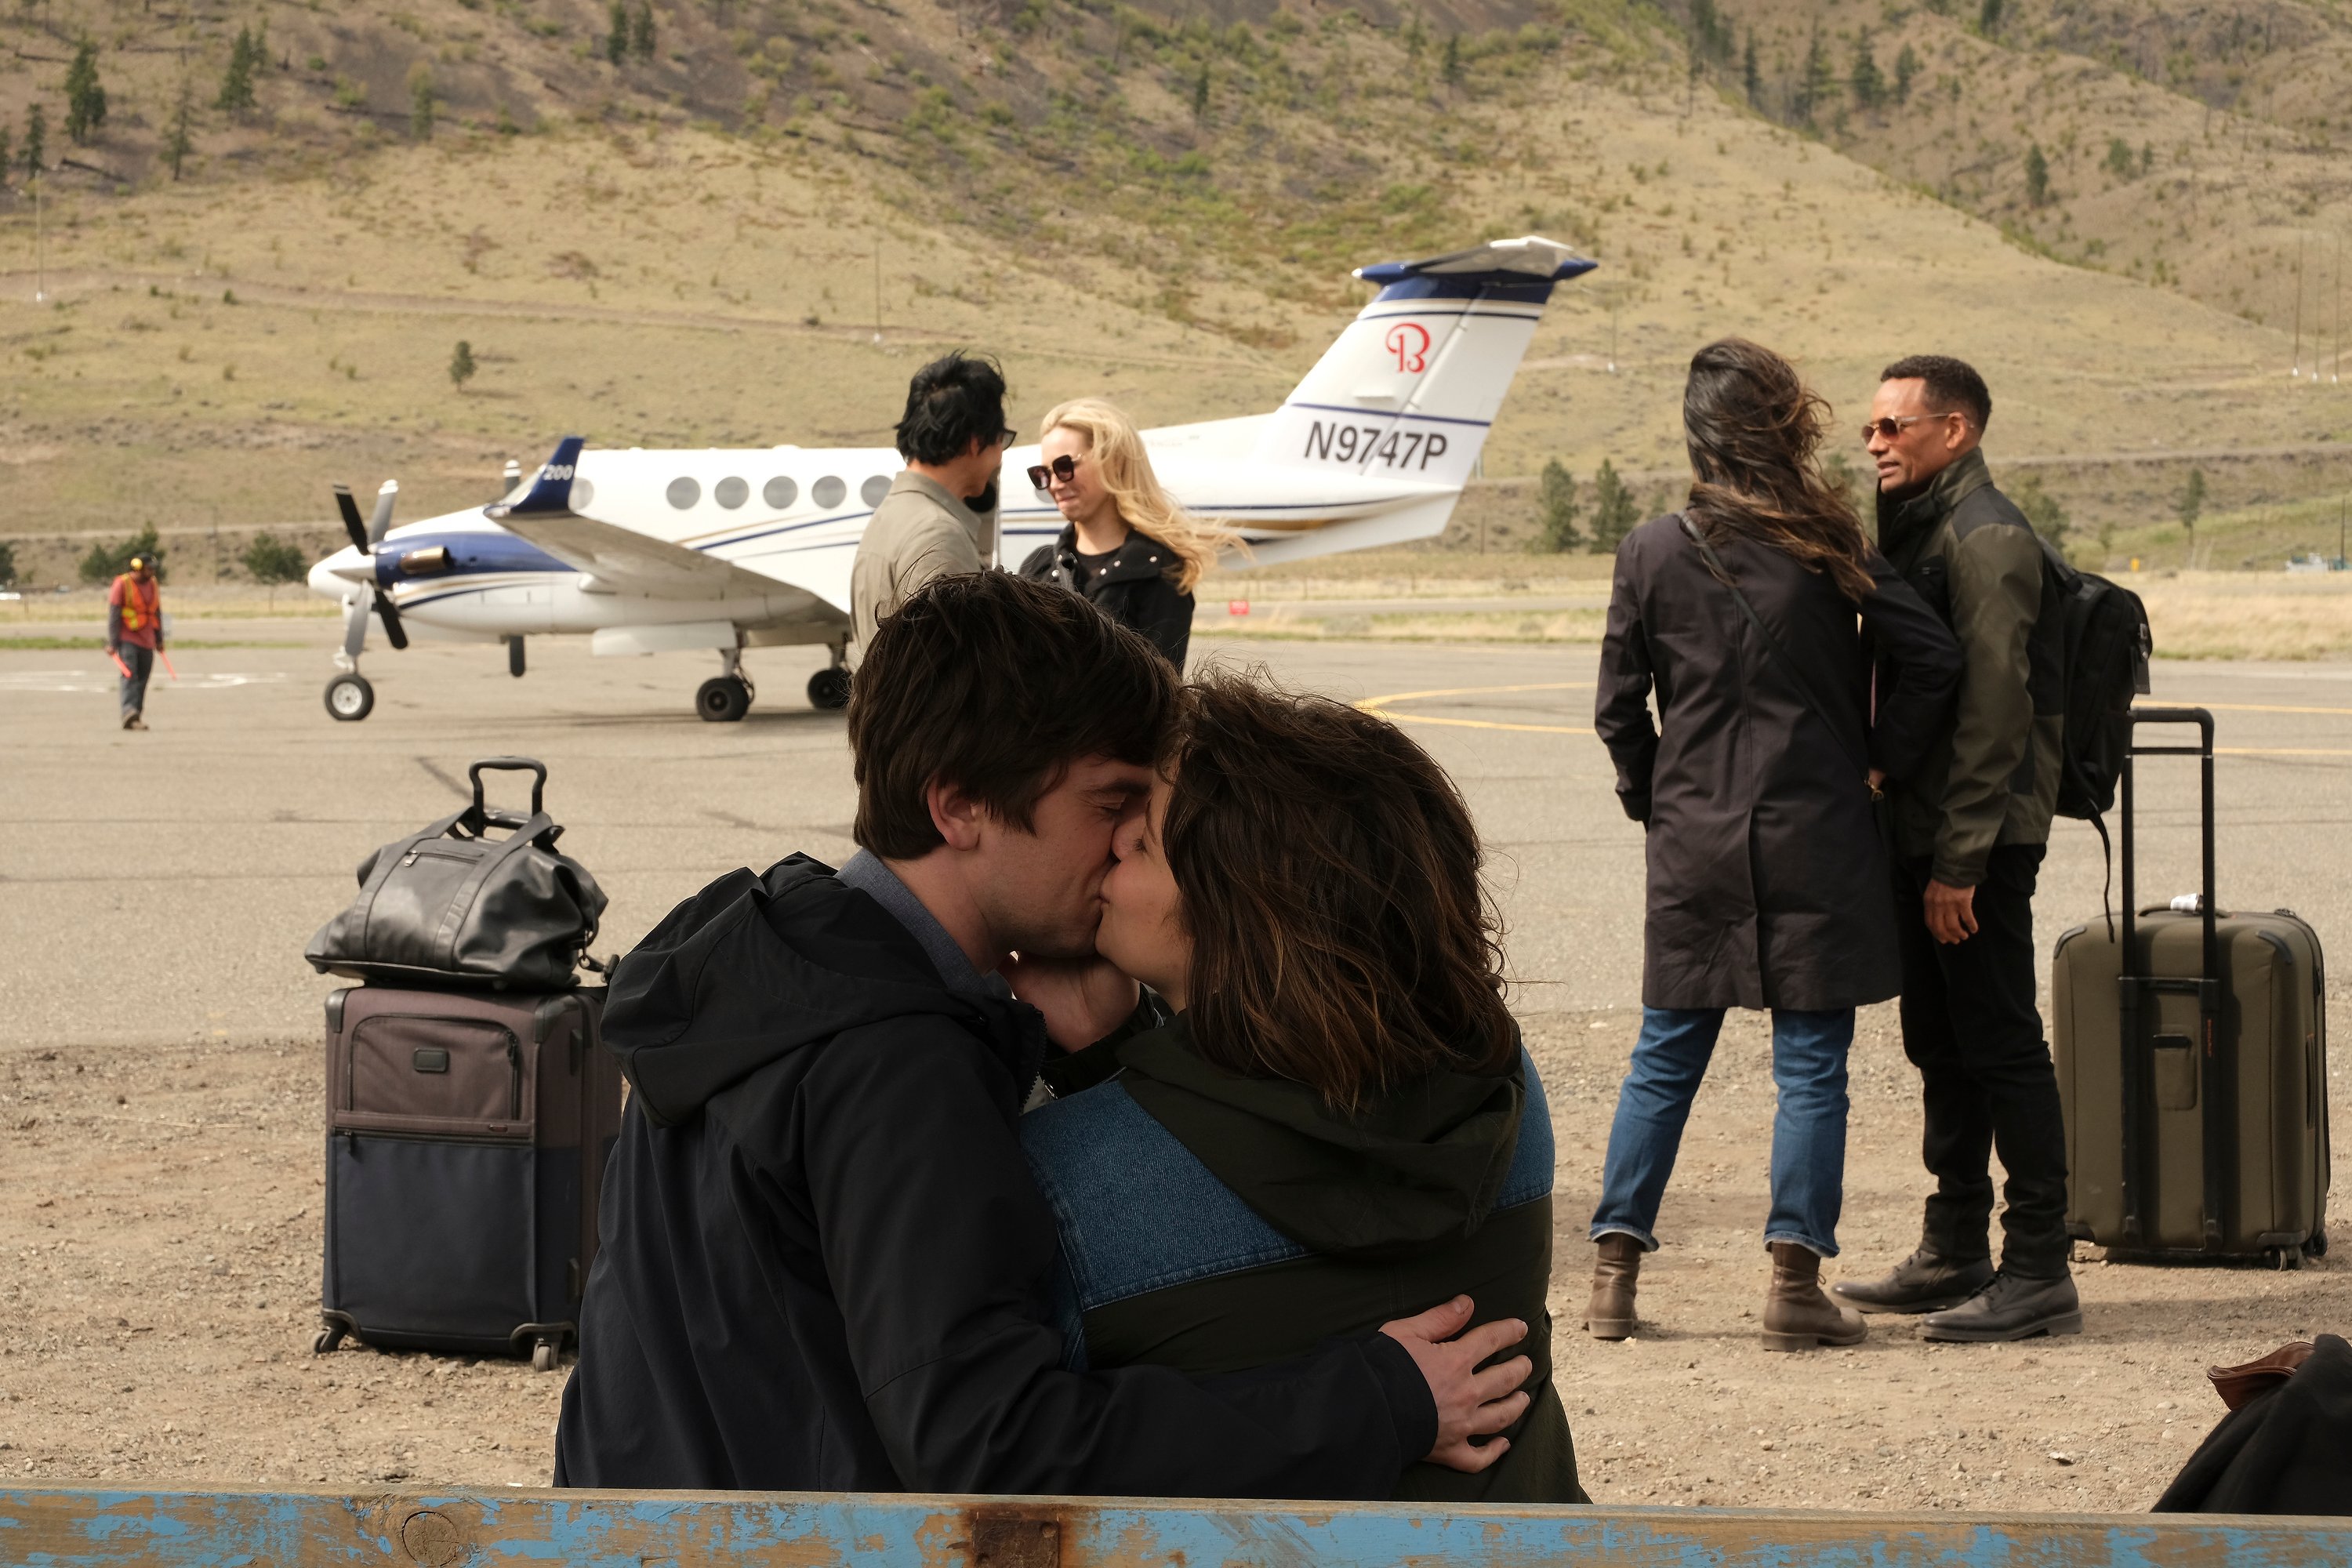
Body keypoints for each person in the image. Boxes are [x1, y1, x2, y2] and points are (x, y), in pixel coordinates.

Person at [554, 570, 1533, 1495]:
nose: (1124, 846)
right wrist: (1373, 1400)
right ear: (960, 804)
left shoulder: (784, 963)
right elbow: (995, 1444)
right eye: (1111, 805)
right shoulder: (894, 1063)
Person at [1017, 670, 1583, 1502]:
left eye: (1141, 844)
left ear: (1232, 914)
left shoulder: (1063, 1175)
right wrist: (1118, 1049)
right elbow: (1284, 1133)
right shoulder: (1505, 1092)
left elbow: (1024, 1445)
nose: (1109, 852)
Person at [1588, 339, 1962, 1352]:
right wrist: (1880, 761)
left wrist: (1657, 800)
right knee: (1812, 1067)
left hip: (1694, 838)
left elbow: (1618, 710)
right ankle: (1794, 1285)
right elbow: (1930, 654)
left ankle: (1612, 1277)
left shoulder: (1651, 549)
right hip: (1817, 832)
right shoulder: (1824, 534)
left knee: (1664, 1057)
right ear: (1779, 421)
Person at [1831, 354, 2079, 1343]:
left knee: (2003, 1041)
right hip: (1929, 828)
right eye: (1872, 429)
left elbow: (1995, 713)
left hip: (1977, 836)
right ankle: (1955, 1246)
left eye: (1896, 426)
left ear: (1957, 430)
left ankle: (2039, 1269)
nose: (1877, 443)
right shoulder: (1928, 524)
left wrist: (1962, 862)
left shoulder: (1988, 538)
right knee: (1939, 1039)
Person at [1016, 398, 1228, 668]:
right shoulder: (1037, 567)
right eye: (1042, 474)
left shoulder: (1160, 571)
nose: (1054, 484)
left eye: (1065, 467)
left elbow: (1160, 697)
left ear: (1113, 461)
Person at [848, 350, 1011, 664]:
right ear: (977, 443)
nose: (1000, 456)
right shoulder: (938, 534)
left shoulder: (893, 516)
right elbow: (947, 680)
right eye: (1001, 440)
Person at [106, 554, 165, 731]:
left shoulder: (153, 584)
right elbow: (114, 614)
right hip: (128, 640)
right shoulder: (122, 584)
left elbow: (156, 612)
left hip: (147, 640)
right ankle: (128, 712)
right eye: (149, 568)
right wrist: (113, 643)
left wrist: (159, 639)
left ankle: (135, 715)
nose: (153, 571)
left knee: (143, 680)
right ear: (138, 567)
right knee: (129, 676)